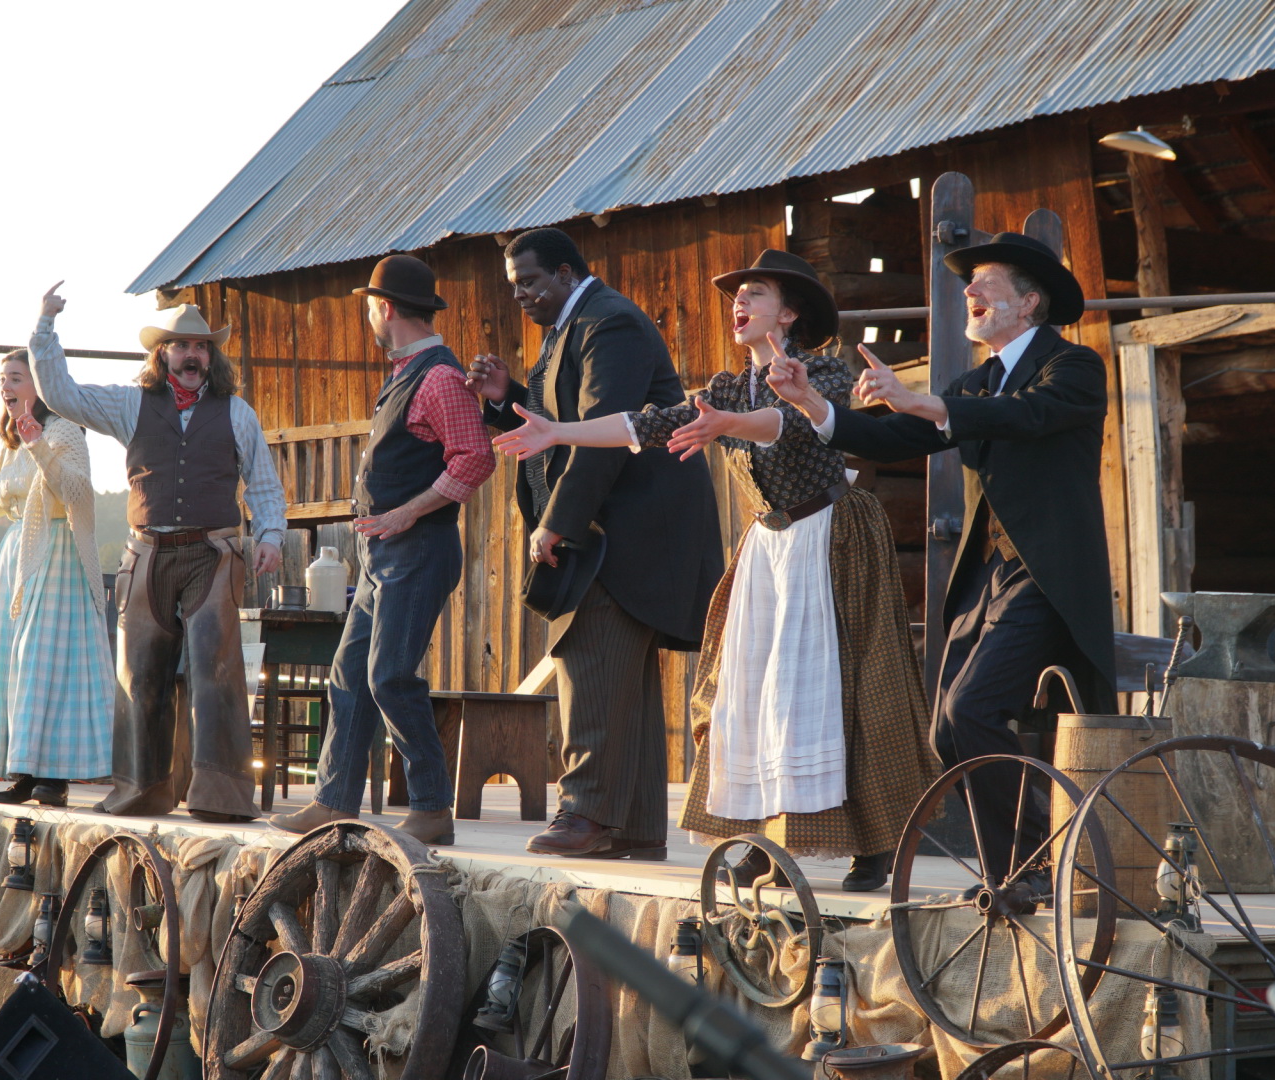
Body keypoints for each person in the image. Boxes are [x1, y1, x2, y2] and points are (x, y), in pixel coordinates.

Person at [494, 250, 937, 890]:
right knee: (755, 695)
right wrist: (560, 433)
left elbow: (784, 425)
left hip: (832, 537)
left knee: (852, 691)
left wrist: (729, 424)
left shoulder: (822, 373)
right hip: (769, 548)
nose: (738, 303)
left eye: (753, 294)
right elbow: (644, 424)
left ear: (787, 312)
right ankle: (769, 839)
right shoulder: (728, 388)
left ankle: (879, 842)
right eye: (737, 295)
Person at [767, 232, 1117, 887]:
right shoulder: (979, 381)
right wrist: (810, 404)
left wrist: (921, 400)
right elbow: (896, 434)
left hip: (1048, 577)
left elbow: (1024, 418)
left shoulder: (1072, 368)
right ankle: (1021, 861)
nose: (970, 292)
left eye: (986, 283)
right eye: (969, 284)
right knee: (948, 732)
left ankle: (1019, 868)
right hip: (994, 577)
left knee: (972, 712)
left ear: (1029, 302)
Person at [466, 228, 724, 861]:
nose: (520, 295)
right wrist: (506, 402)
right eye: (513, 285)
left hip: (630, 526)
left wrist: (560, 521)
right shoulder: (573, 325)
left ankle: (584, 813)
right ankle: (631, 824)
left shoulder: (609, 323)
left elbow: (600, 433)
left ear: (564, 271)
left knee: (588, 652)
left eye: (528, 281)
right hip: (624, 525)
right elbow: (559, 422)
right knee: (622, 675)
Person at [28, 284, 288, 822]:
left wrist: (269, 537)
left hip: (213, 555)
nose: (192, 355)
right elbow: (61, 395)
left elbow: (262, 484)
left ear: (210, 358)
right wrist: (46, 326)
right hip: (146, 555)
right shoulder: (131, 404)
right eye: (181, 346)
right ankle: (140, 791)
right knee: (139, 675)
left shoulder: (237, 412)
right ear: (162, 354)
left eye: (201, 347)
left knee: (216, 674)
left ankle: (221, 799)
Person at [268, 256, 496, 846]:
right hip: (384, 555)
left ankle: (429, 806)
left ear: (385, 308)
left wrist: (408, 510)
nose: (368, 315)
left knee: (390, 676)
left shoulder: (439, 377)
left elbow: (475, 458)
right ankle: (334, 800)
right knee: (350, 674)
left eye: (369, 305)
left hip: (417, 547)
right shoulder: (407, 372)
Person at [0, 349, 114, 807]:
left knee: (44, 663)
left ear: (39, 386)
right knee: (12, 665)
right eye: (2, 380)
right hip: (18, 557)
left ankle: (56, 775)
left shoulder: (64, 429)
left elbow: (74, 491)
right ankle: (24, 772)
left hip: (56, 556)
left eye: (14, 377)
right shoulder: (11, 440)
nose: (5, 387)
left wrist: (39, 447)